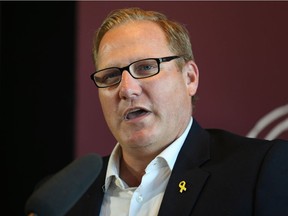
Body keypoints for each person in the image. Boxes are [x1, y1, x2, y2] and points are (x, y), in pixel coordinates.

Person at [60, 7, 288, 215]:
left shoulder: (259, 171)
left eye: (146, 67)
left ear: (189, 78)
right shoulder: (63, 196)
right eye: (111, 76)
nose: (127, 90)